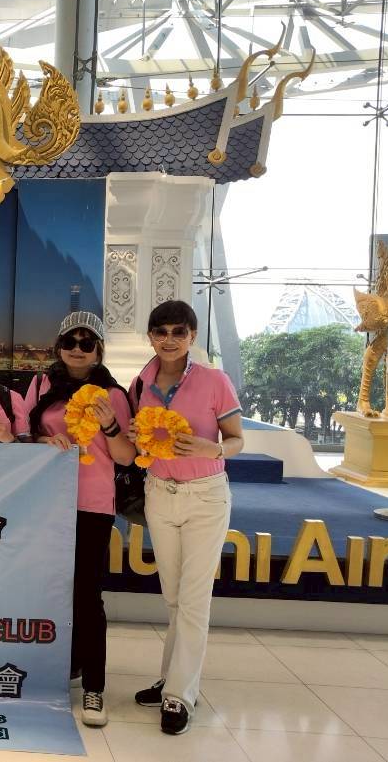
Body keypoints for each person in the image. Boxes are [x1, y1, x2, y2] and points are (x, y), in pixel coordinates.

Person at [128, 300, 244, 736]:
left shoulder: (214, 380)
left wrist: (214, 448)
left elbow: (237, 440)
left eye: (179, 331)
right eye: (161, 332)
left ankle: (180, 695)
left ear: (193, 336)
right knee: (174, 597)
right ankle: (170, 678)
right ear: (151, 337)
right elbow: (138, 442)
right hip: (159, 493)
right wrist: (136, 439)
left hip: (205, 496)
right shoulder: (141, 383)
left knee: (194, 599)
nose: (170, 339)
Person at [26, 311, 136, 727]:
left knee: (88, 596)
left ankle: (94, 686)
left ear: (99, 349)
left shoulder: (113, 394)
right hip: (45, 501)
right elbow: (26, 436)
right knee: (49, 590)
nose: (77, 349)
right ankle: (59, 667)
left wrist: (110, 425)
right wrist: (43, 439)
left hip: (91, 502)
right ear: (58, 347)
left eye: (86, 342)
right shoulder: (41, 385)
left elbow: (126, 457)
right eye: (69, 342)